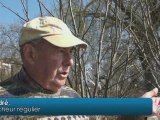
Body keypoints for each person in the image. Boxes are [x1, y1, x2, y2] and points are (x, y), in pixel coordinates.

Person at [0, 16, 159, 120]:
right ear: (30, 54)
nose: (70, 62)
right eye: (61, 51)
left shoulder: (72, 95)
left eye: (71, 52)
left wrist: (136, 112)